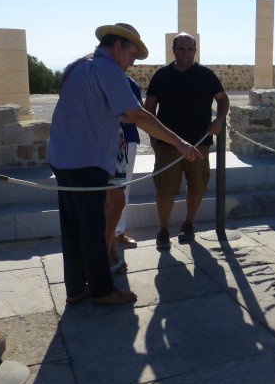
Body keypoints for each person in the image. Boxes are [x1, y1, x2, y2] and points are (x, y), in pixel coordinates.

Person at [47, 23, 203, 306]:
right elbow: (139, 115)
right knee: (93, 228)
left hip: (61, 156)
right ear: (117, 46)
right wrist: (180, 143)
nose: (133, 62)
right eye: (132, 54)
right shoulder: (107, 69)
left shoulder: (75, 66)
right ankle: (102, 290)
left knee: (72, 226)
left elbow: (91, 108)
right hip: (87, 160)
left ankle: (75, 288)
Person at [144, 32, 230, 250]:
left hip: (199, 143)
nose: (185, 53)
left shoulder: (206, 75)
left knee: (197, 186)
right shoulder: (161, 75)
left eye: (190, 49)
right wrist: (154, 137)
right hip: (168, 145)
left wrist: (219, 120)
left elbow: (223, 100)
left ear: (195, 51)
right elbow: (149, 108)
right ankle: (162, 230)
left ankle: (188, 224)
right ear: (173, 50)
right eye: (181, 49)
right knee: (164, 190)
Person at [105, 77, 142, 276]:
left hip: (126, 139)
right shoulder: (98, 78)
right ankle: (105, 238)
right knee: (104, 194)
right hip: (101, 141)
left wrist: (112, 117)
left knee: (122, 190)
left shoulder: (130, 84)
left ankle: (118, 233)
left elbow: (136, 115)